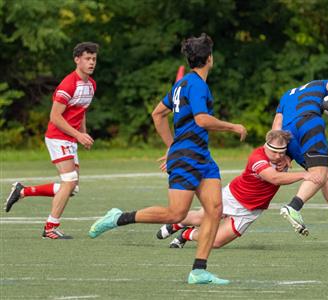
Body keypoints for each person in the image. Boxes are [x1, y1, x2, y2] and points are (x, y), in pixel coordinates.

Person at [88, 33, 247, 285]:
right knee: (176, 214)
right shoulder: (195, 85)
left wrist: (172, 146)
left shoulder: (182, 83)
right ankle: (118, 217)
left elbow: (158, 114)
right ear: (209, 59)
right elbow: (202, 119)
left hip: (201, 157)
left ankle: (199, 270)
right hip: (187, 158)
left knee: (215, 210)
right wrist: (234, 127)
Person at [156, 129, 322, 248]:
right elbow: (274, 178)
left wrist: (288, 156)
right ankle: (177, 223)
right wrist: (304, 175)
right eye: (274, 152)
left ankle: (186, 234)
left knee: (216, 242)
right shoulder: (257, 158)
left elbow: (287, 148)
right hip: (234, 196)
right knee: (201, 217)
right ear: (266, 146)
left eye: (282, 152)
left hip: (252, 210)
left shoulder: (283, 156)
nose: (278, 156)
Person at [4, 42, 99, 239]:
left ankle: (22, 191)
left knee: (72, 188)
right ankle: (50, 228)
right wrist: (78, 135)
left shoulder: (91, 85)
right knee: (69, 181)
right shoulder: (68, 84)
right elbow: (55, 117)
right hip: (58, 137)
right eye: (87, 59)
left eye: (94, 59)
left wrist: (84, 134)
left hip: (71, 138)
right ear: (77, 60)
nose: (91, 63)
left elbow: (81, 112)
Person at [272, 79, 328, 236]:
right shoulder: (319, 84)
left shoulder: (287, 95)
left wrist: (282, 152)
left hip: (287, 134)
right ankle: (293, 207)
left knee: (323, 176)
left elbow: (277, 124)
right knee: (319, 175)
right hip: (309, 123)